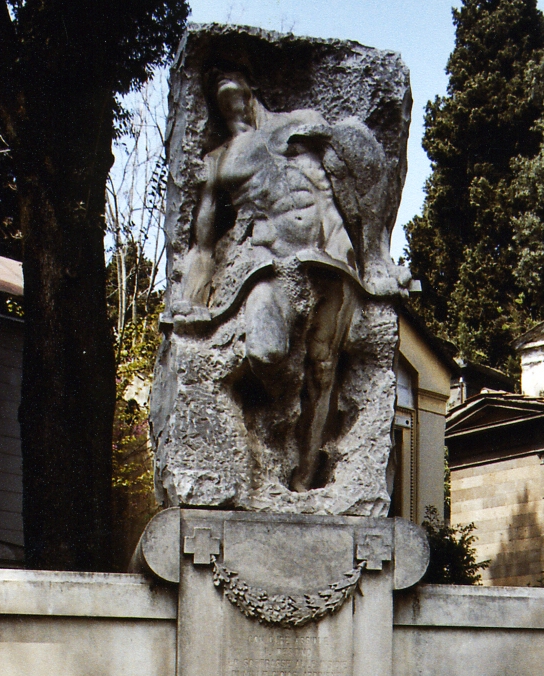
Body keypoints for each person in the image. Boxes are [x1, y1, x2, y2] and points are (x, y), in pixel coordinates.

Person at [171, 70, 409, 492]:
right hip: (266, 259)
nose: (234, 108)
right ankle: (274, 420)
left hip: (330, 256)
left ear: (251, 93)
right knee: (266, 350)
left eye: (238, 96)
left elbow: (362, 177)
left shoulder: (301, 123)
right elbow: (203, 243)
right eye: (222, 101)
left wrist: (375, 256)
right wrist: (192, 295)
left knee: (324, 369)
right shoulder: (219, 162)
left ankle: (306, 476)